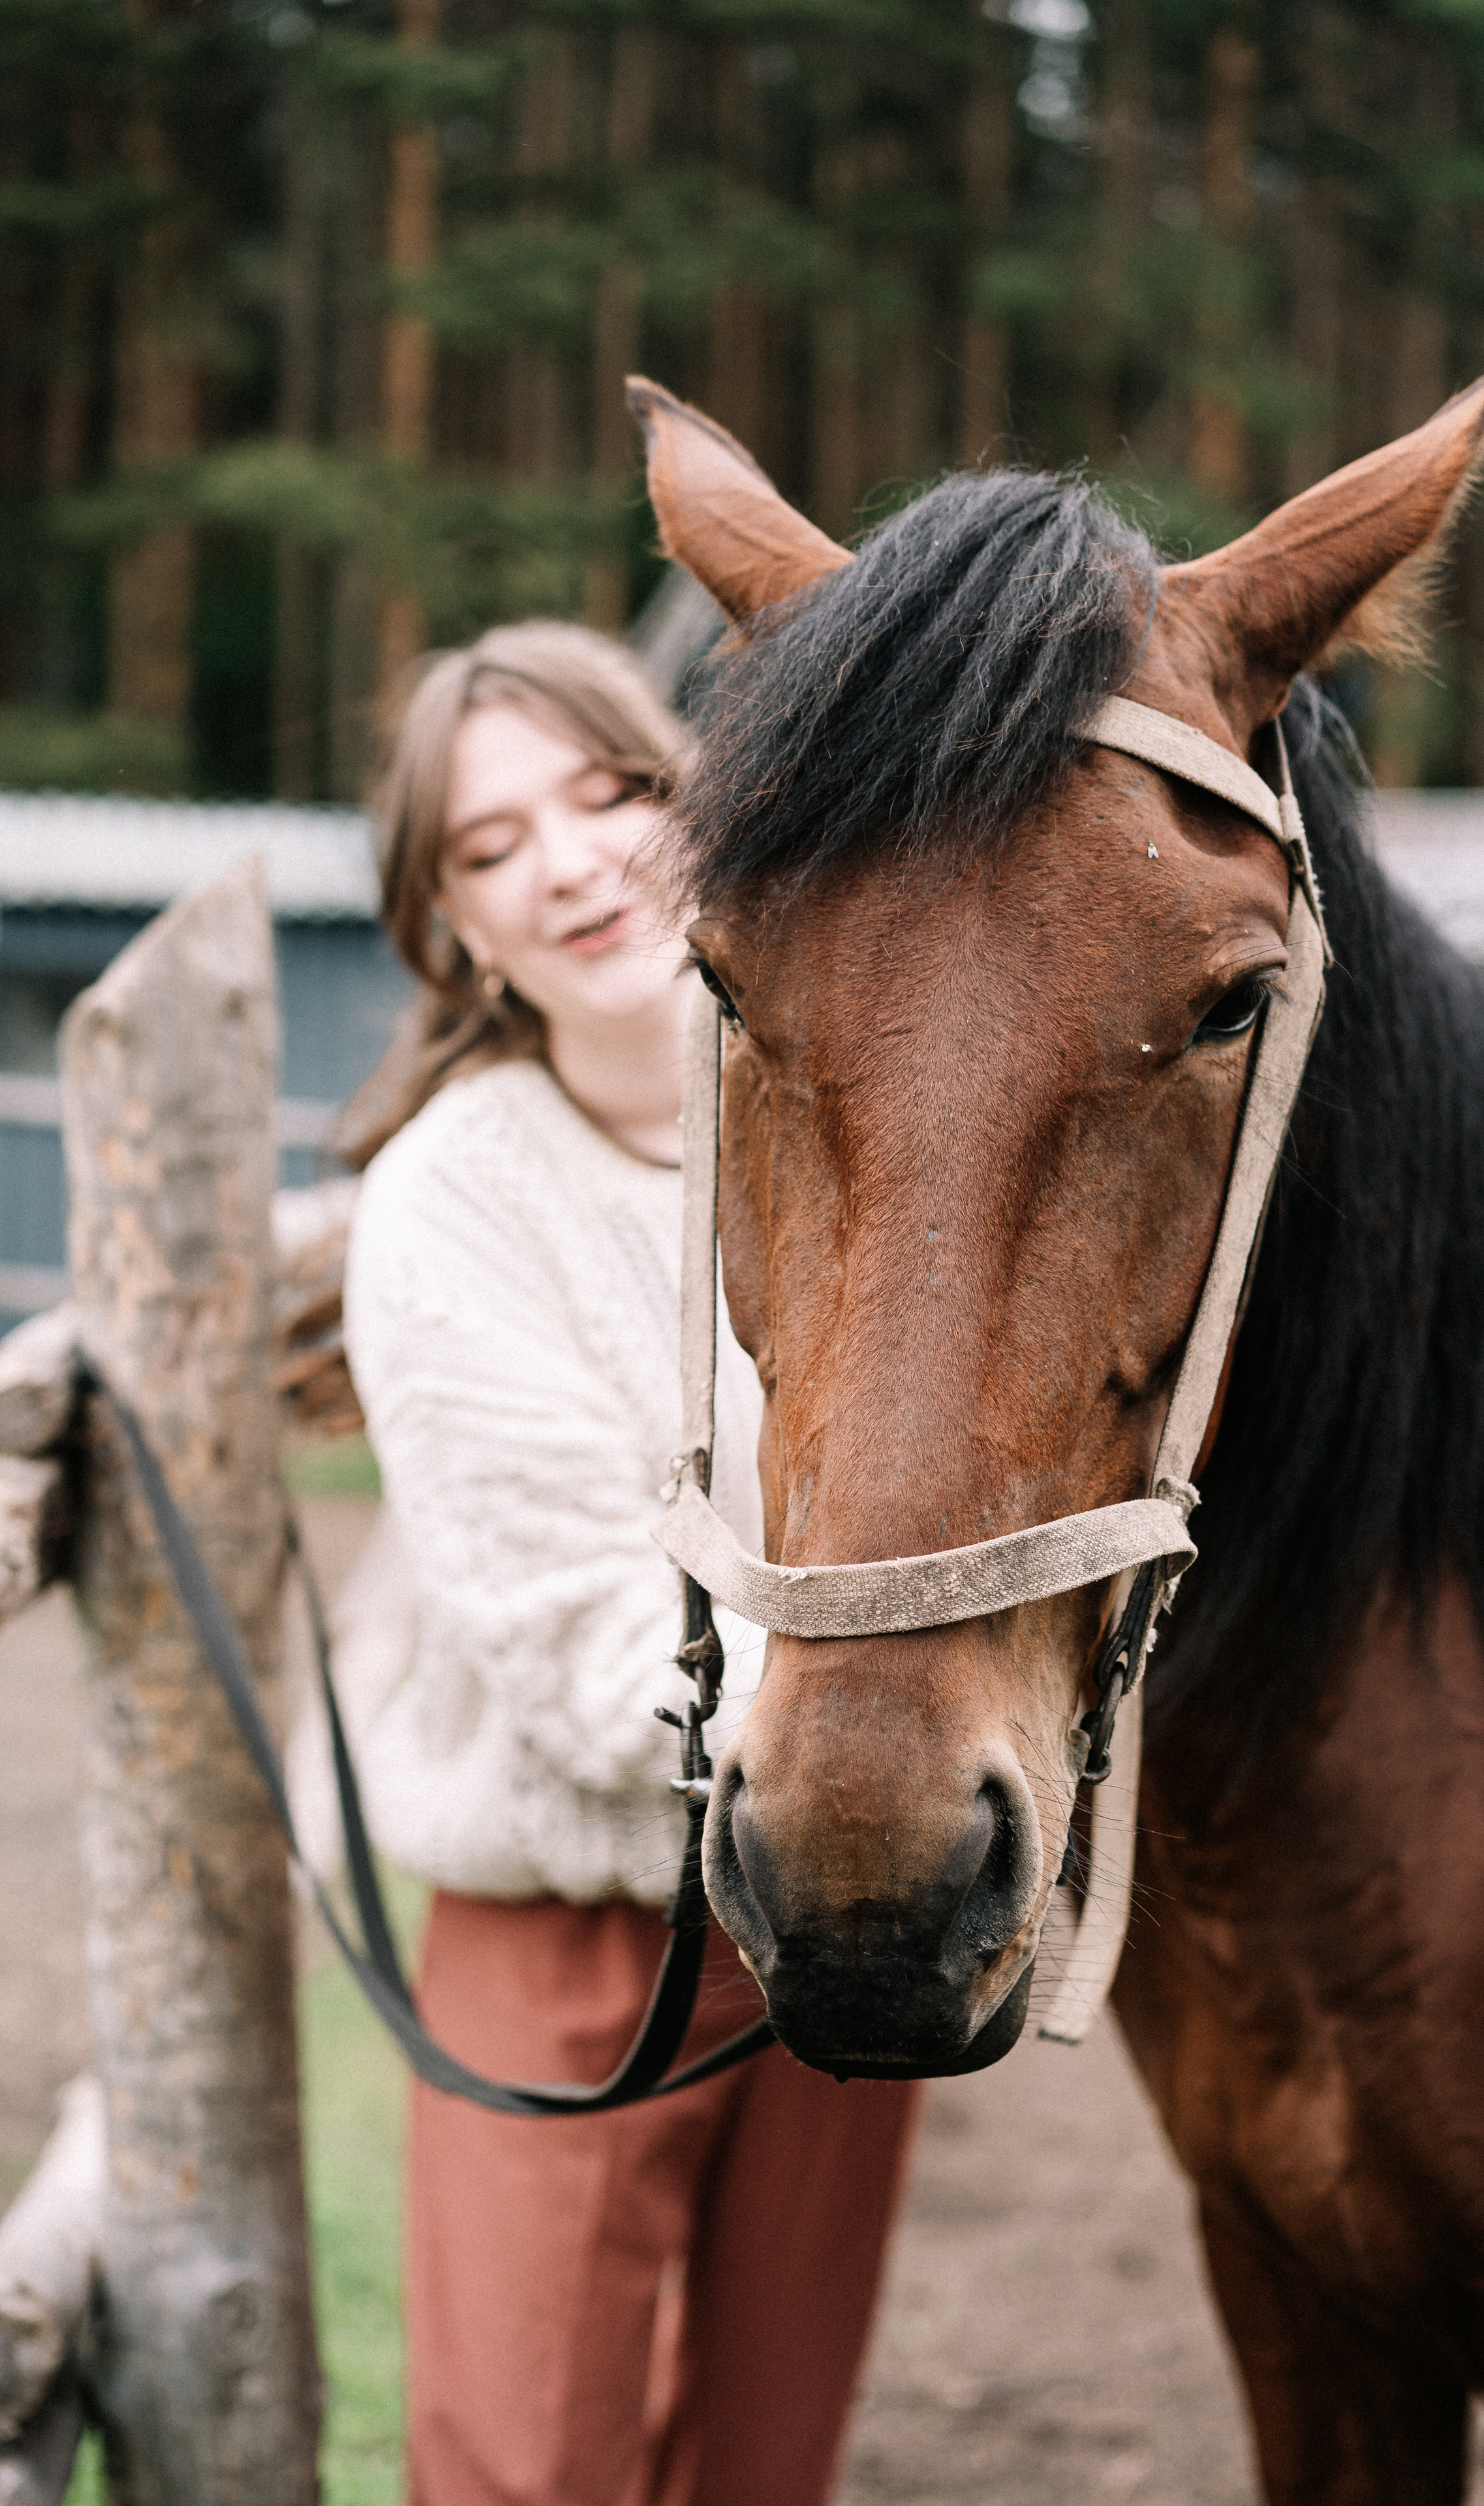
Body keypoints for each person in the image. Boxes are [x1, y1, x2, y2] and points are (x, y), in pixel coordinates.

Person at [332, 621, 921, 2506]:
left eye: (612, 795)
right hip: (577, 1918)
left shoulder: (871, 1127)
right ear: (453, 932)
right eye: (492, 848)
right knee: (526, 2466)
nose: (573, 864)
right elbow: (575, 1640)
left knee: (767, 2461)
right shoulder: (452, 1199)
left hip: (837, 1912)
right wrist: (872, 1733)